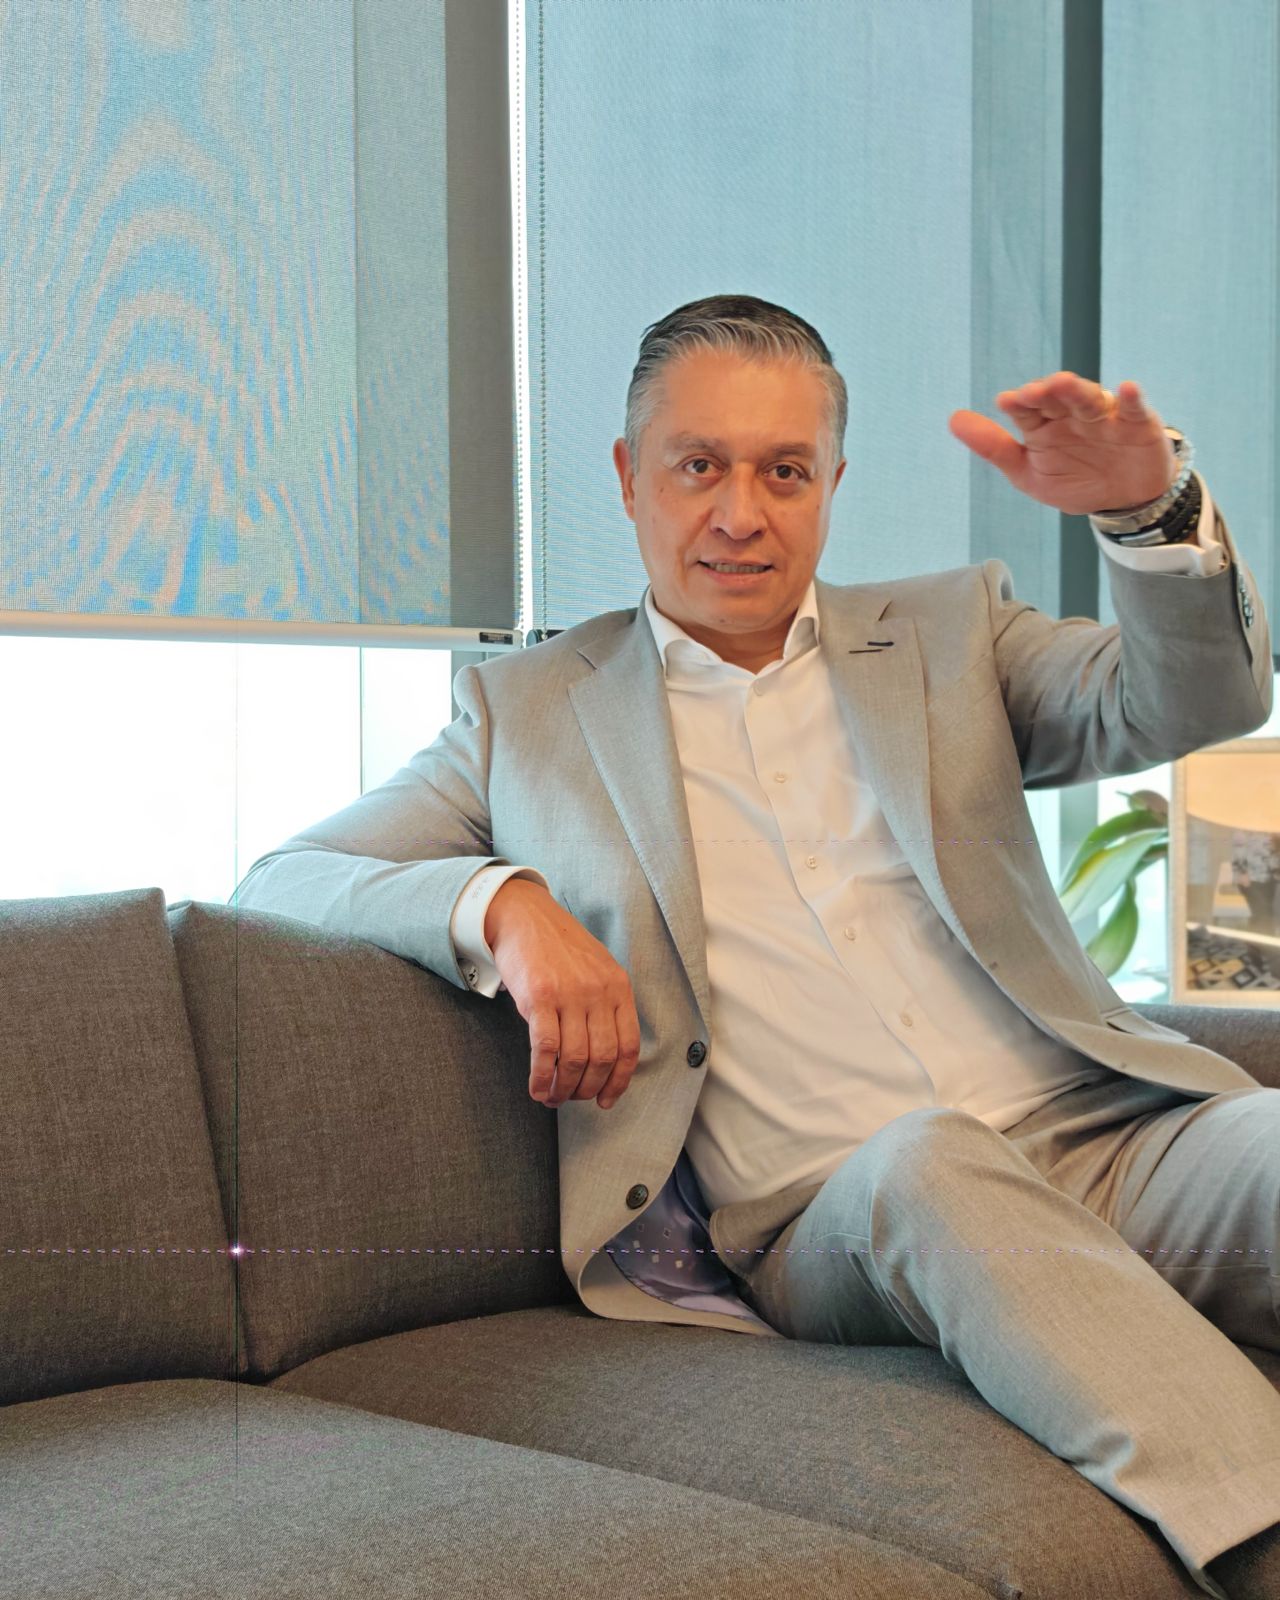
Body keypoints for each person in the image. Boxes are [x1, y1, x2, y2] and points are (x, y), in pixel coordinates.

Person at [231, 295, 1279, 1598]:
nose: (741, 513)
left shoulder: (950, 636)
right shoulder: (526, 716)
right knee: (931, 1163)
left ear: (832, 483)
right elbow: (283, 880)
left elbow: (1197, 699)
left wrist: (1146, 512)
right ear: (631, 478)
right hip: (838, 1214)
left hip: (1110, 1140)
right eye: (700, 466)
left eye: (784, 471)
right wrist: (504, 906)